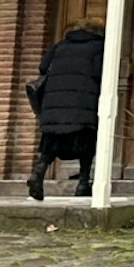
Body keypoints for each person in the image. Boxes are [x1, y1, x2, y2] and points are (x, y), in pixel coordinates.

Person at [25, 25, 107, 199]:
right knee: (86, 142)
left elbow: (43, 67)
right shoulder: (98, 47)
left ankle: (38, 174)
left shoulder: (60, 46)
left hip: (54, 103)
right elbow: (100, 72)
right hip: (82, 102)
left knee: (51, 142)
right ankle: (83, 184)